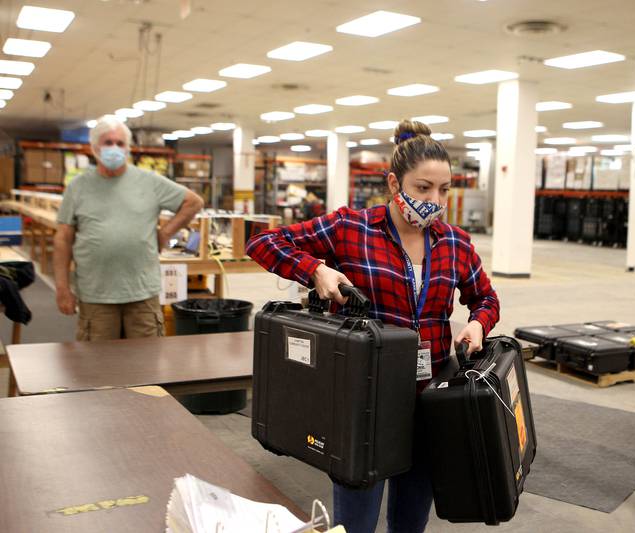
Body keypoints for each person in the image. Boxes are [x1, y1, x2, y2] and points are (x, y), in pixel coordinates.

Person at [246, 119, 500, 533]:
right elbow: (262, 243)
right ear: (394, 183)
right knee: (356, 523)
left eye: (444, 190)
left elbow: (485, 298)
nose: (434, 200)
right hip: (364, 401)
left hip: (429, 398)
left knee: (411, 519)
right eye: (423, 188)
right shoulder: (351, 228)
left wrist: (477, 324)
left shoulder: (455, 242)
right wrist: (316, 271)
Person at [54, 115, 204, 340]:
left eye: (120, 143)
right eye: (107, 143)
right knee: (98, 365)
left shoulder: (149, 181)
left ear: (128, 148)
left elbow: (194, 202)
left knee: (146, 365)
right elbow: (63, 239)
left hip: (142, 294)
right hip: (96, 296)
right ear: (94, 148)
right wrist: (62, 288)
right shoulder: (78, 187)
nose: (114, 148)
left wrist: (165, 233)